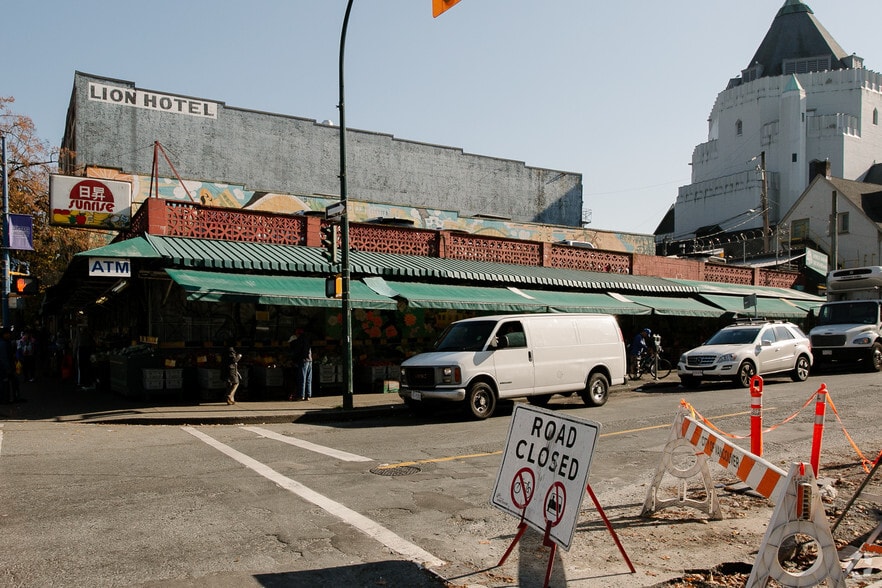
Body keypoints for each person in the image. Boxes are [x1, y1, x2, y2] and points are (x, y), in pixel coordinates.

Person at [288, 328, 313, 401]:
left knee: (302, 378)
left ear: (297, 334)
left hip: (303, 360)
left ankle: (301, 395)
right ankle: (308, 395)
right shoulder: (307, 339)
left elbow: (297, 352)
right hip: (310, 360)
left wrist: (294, 360)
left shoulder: (299, 341)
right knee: (308, 378)